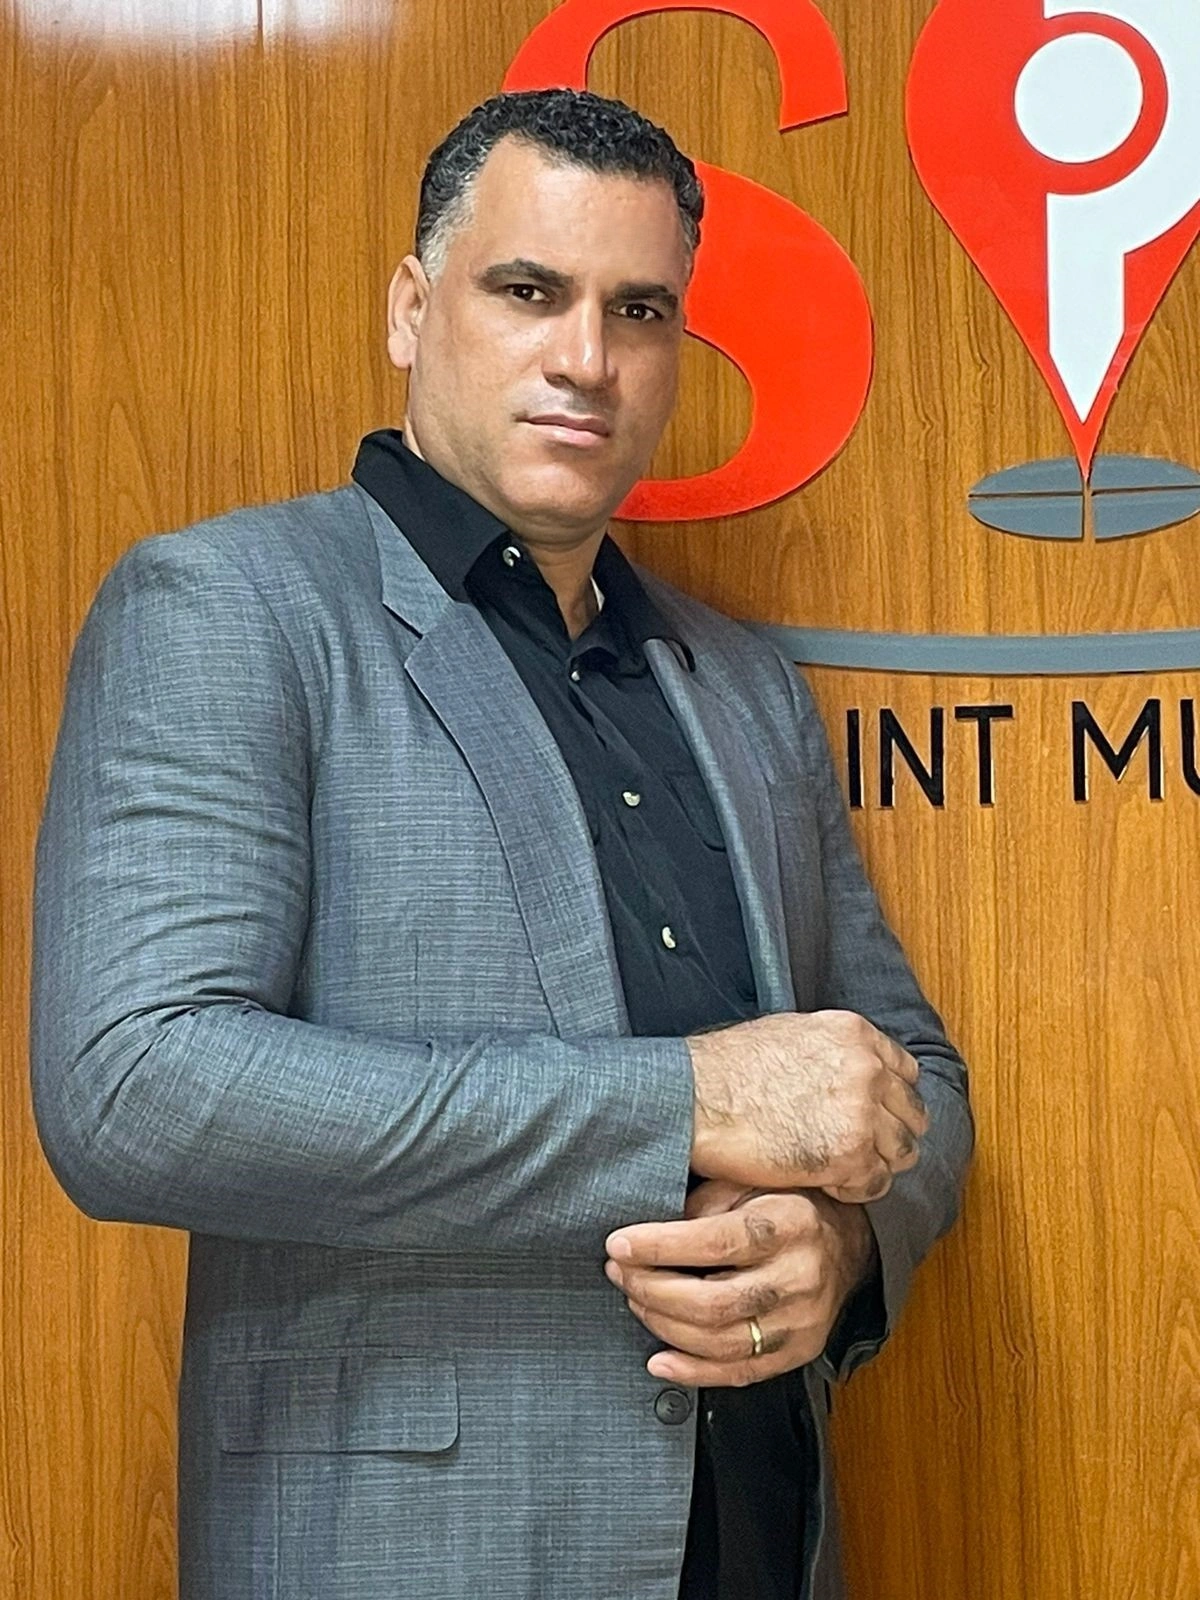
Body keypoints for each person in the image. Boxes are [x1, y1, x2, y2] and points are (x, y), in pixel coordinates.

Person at [31, 87, 973, 1600]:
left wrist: (846, 1254)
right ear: (413, 310)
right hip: (412, 1557)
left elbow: (911, 1072)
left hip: (759, 1544)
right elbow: (135, 1086)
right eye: (529, 292)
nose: (587, 359)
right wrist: (685, 1102)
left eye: (639, 310)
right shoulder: (230, 608)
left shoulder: (742, 684)